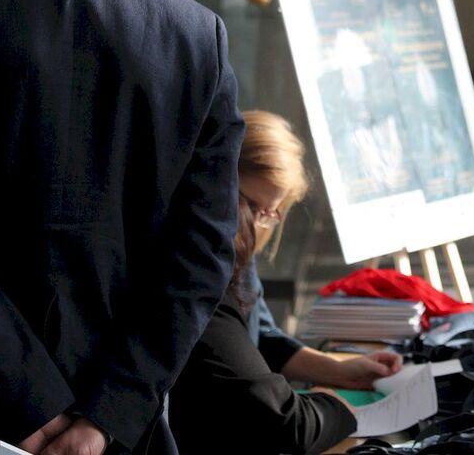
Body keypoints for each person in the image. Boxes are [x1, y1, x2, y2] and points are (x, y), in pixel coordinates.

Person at [0, 0, 244, 454]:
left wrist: (28, 404)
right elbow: (203, 252)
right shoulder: (196, 34)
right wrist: (105, 416)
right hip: (121, 430)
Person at [170, 110, 403, 454]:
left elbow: (258, 334)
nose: (254, 223)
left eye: (268, 213)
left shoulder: (236, 251)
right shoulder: (200, 270)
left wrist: (339, 370)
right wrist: (333, 407)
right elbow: (285, 423)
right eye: (250, 205)